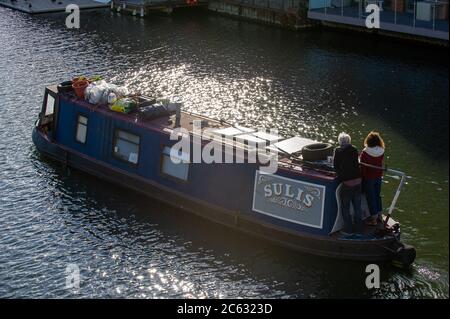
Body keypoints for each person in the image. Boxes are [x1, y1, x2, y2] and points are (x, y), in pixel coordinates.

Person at [333, 133, 363, 234]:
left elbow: (335, 166)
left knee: (345, 208)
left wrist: (340, 174)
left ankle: (349, 229)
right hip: (358, 182)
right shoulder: (354, 149)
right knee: (357, 207)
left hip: (348, 184)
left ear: (339, 142)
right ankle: (359, 229)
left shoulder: (338, 151)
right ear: (349, 141)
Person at [360, 131, 385, 225]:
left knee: (370, 197)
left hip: (369, 178)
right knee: (377, 196)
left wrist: (362, 177)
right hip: (378, 177)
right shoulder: (381, 151)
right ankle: (380, 216)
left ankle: (373, 219)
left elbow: (363, 167)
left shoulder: (365, 152)